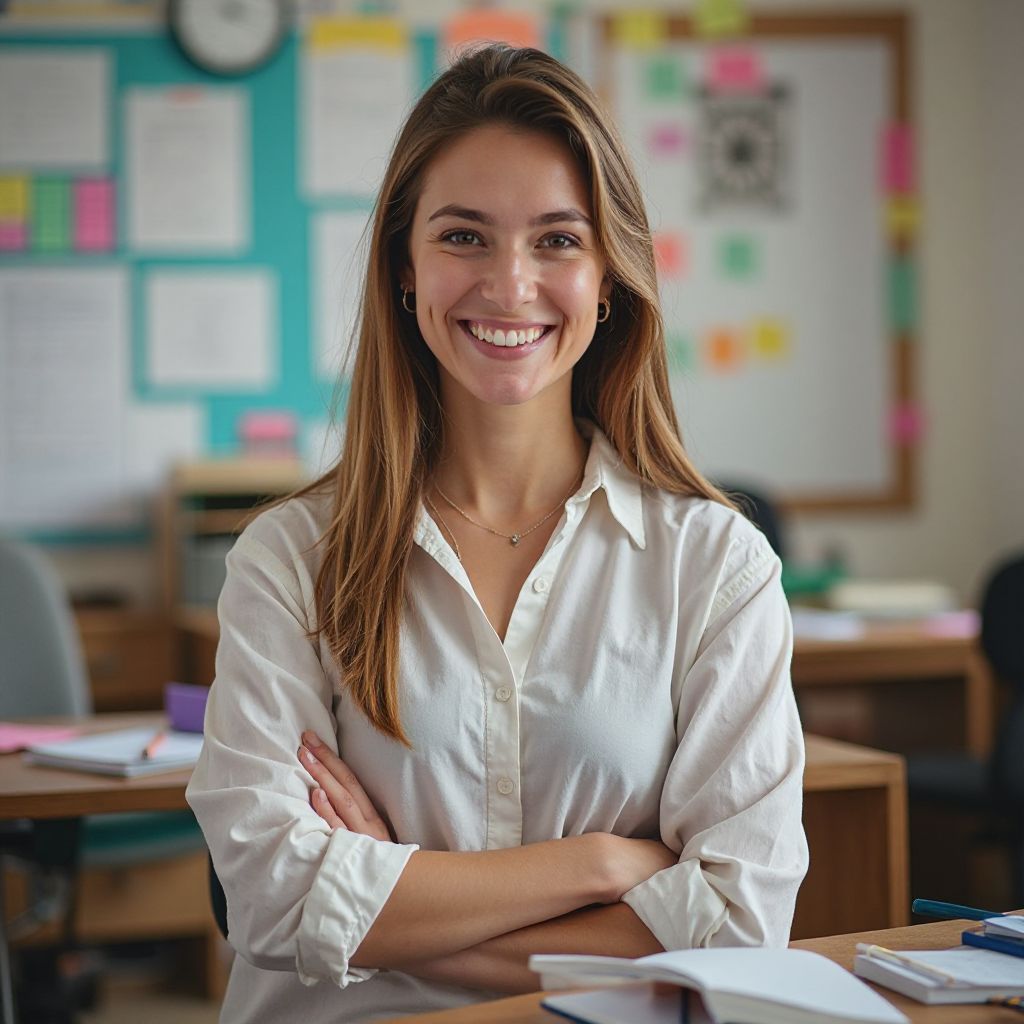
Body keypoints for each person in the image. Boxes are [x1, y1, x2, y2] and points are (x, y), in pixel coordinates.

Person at [186, 43, 808, 1023]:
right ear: (406, 268)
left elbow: (736, 924)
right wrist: (599, 866)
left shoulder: (715, 566)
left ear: (608, 276)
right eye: (464, 236)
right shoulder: (289, 560)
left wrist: (384, 906)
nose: (510, 285)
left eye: (557, 240)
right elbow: (273, 895)